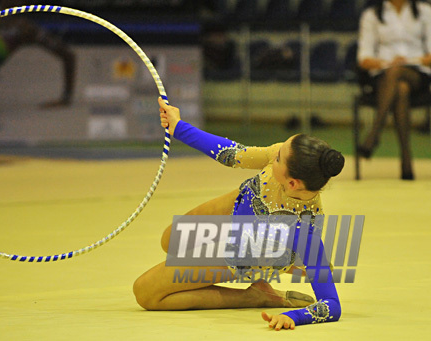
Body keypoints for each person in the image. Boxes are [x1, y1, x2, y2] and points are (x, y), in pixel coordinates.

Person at [133, 97, 345, 331]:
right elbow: (232, 154)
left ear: (292, 183)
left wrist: (294, 316)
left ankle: (254, 296)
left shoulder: (305, 230)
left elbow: (331, 306)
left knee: (146, 293)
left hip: (246, 250)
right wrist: (178, 127)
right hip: (240, 204)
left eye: (277, 158)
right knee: (171, 239)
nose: (273, 152)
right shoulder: (287, 156)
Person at [356, 0, 431, 180]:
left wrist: (410, 61)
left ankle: (374, 133)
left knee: (399, 75)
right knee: (400, 88)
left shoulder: (425, 11)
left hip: (417, 73)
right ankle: (406, 161)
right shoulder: (371, 15)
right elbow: (364, 58)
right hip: (382, 76)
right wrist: (388, 63)